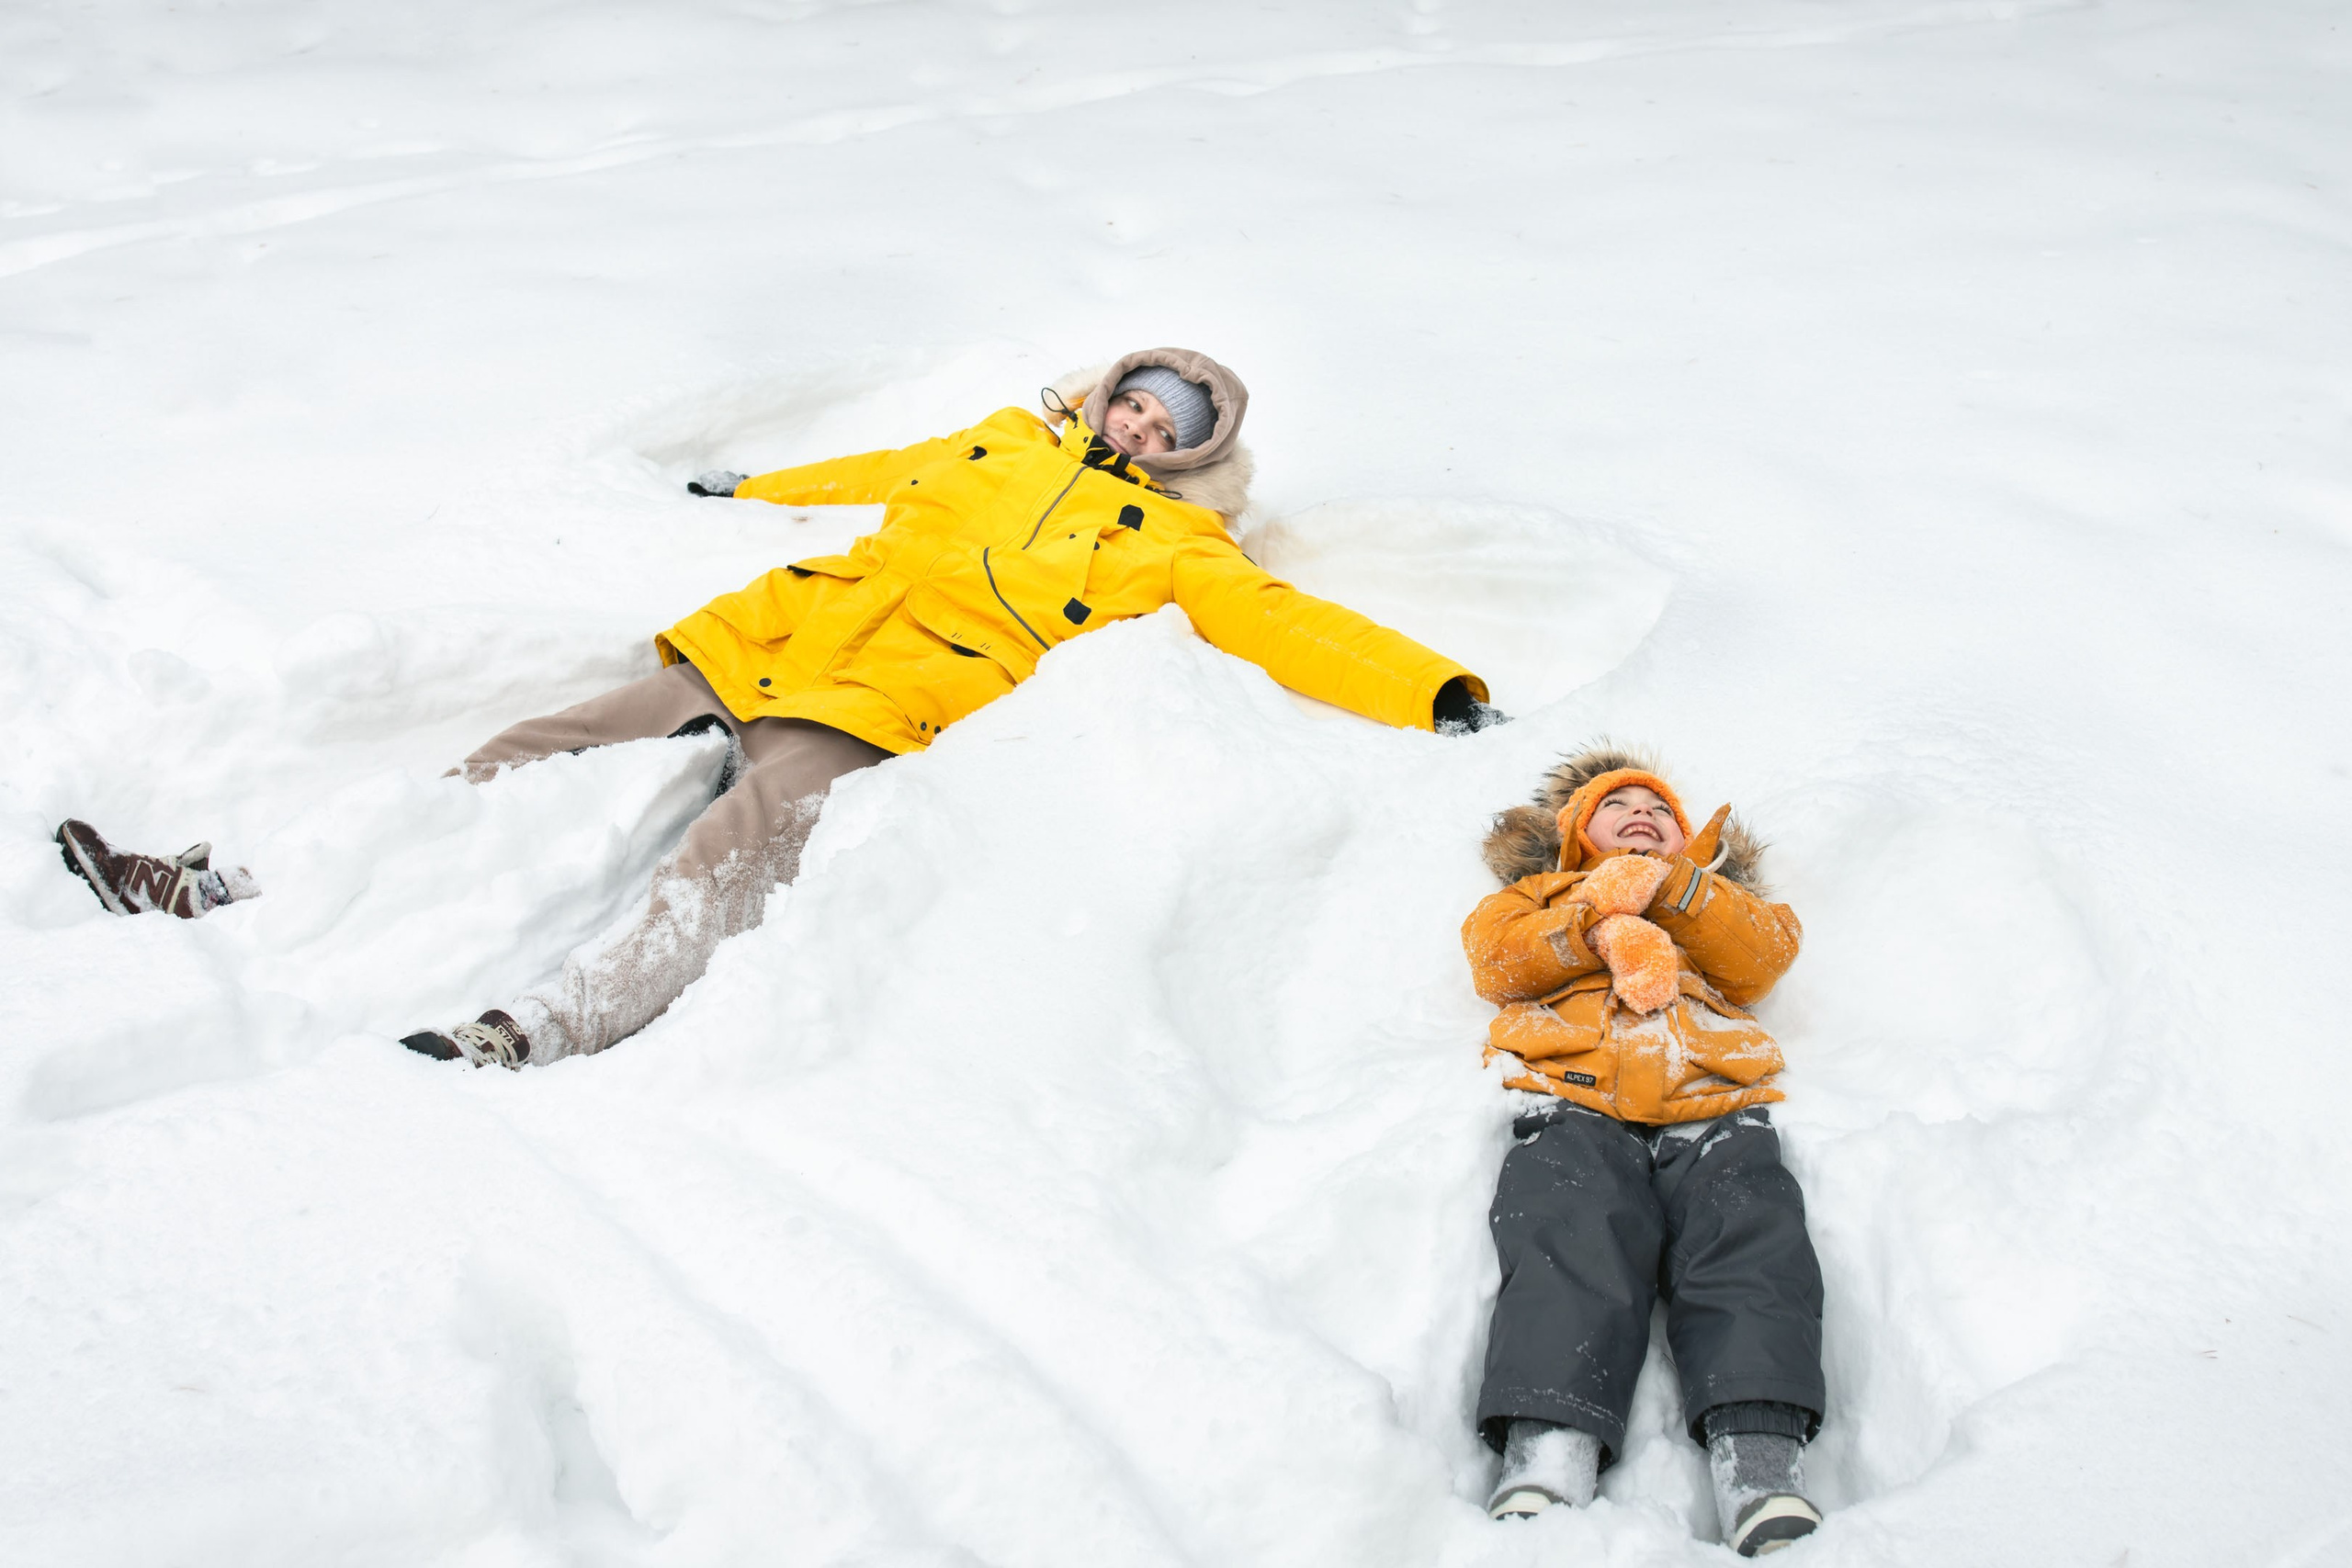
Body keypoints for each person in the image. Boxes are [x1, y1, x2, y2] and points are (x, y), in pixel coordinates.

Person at [57, 348, 1498, 1067]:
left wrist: (1427, 685)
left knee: (743, 835)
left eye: (1173, 424)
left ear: (1195, 455)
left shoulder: (1183, 546)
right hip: (782, 629)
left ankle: (558, 1015)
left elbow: (1288, 625)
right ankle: (237, 880)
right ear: (1110, 389)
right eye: (1138, 397)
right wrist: (746, 489)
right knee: (534, 748)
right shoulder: (1000, 440)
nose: (1142, 424)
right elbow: (874, 469)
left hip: (893, 690)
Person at [1460, 745, 1823, 1557]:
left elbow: (1761, 957)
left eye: (1659, 811)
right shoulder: (1540, 895)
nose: (1642, 817)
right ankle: (1549, 1445)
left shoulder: (1711, 898)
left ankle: (1759, 1458)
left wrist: (1681, 890)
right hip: (1578, 1096)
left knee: (1752, 1238)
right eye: (1616, 808)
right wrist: (1590, 913)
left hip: (1711, 1098)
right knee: (1568, 1232)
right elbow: (1499, 961)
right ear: (1575, 837)